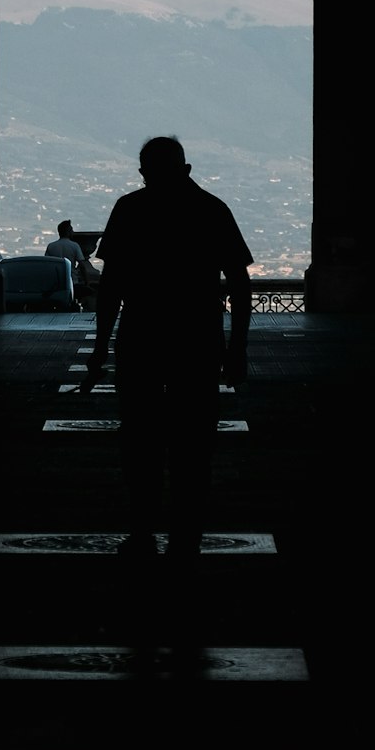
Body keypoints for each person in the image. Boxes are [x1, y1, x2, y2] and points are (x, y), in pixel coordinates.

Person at [81, 136, 253, 559]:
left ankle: (142, 528)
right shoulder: (212, 209)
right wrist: (237, 347)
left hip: (141, 338)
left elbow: (112, 288)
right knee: (193, 442)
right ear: (186, 168)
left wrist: (101, 347)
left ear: (144, 172)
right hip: (197, 340)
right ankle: (186, 532)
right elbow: (239, 282)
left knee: (140, 437)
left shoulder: (130, 208)